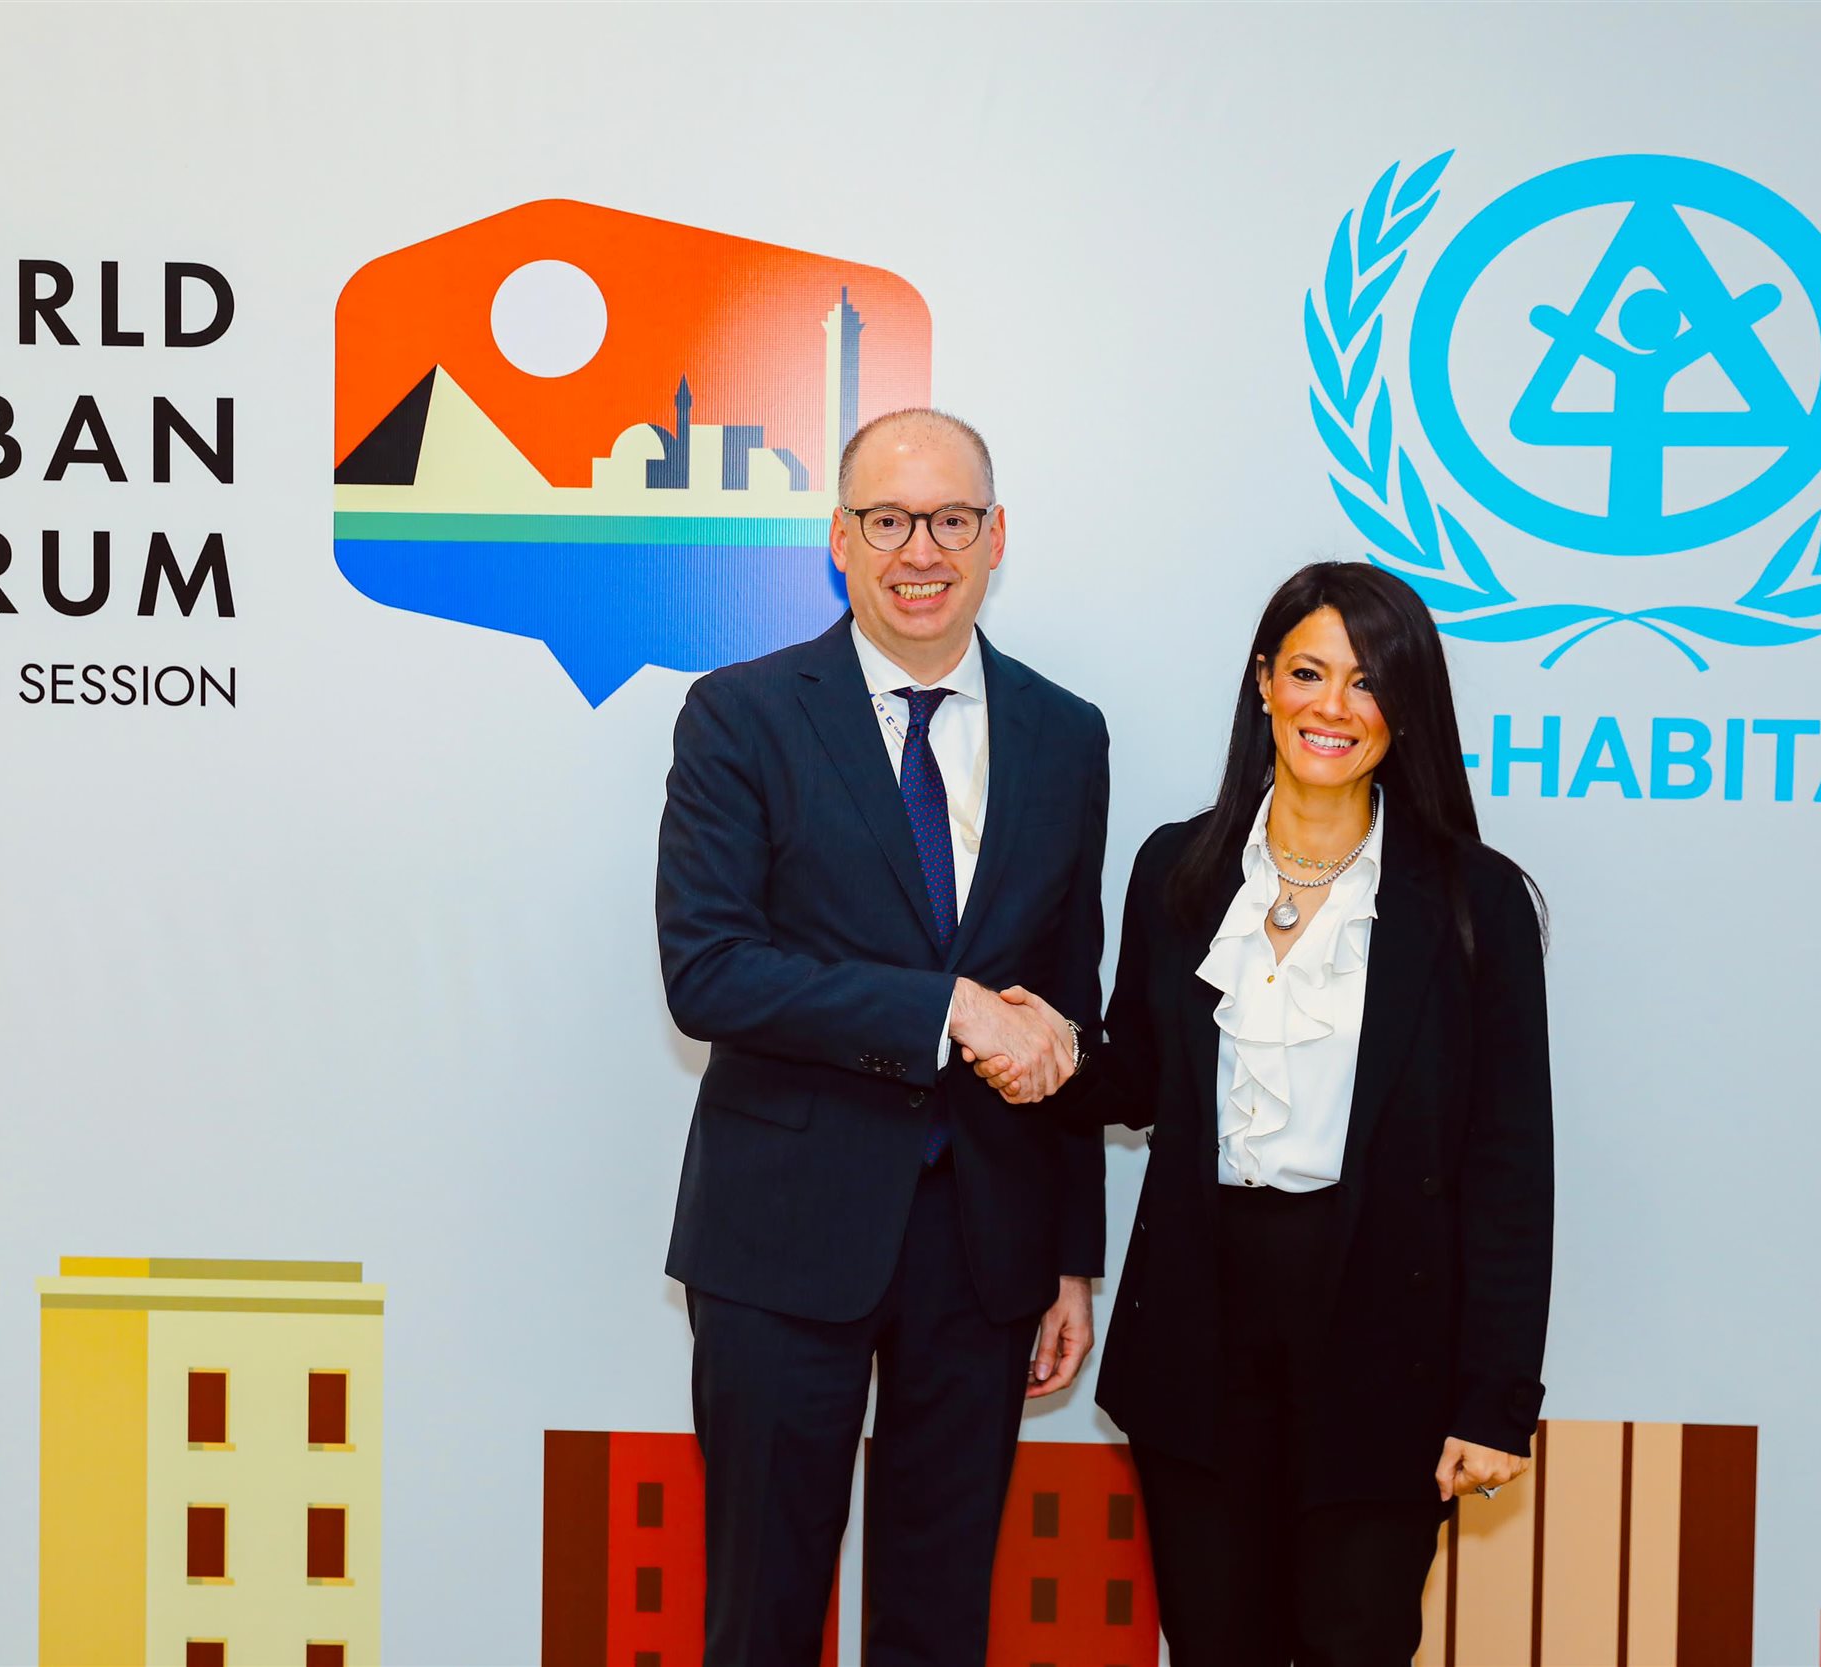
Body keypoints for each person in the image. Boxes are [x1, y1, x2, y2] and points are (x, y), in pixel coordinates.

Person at [977, 562, 1552, 1665]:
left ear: (1407, 705)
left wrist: (1494, 1398)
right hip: (1199, 1324)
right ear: (1262, 683)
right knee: (1213, 1643)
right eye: (1308, 672)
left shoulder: (1474, 901)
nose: (1334, 706)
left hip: (1386, 1337)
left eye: (1368, 681)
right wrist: (1048, 1050)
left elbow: (1511, 1165)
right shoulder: (1178, 869)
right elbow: (1140, 1078)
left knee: (1354, 1641)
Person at [656, 408, 1111, 1665]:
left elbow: (1065, 1001)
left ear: (995, 536)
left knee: (938, 1622)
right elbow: (709, 970)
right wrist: (940, 1008)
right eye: (890, 519)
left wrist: (1070, 1254)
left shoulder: (1065, 732)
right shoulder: (741, 714)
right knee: (762, 1616)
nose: (923, 549)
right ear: (839, 540)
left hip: (986, 1244)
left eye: (951, 519)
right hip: (780, 1237)